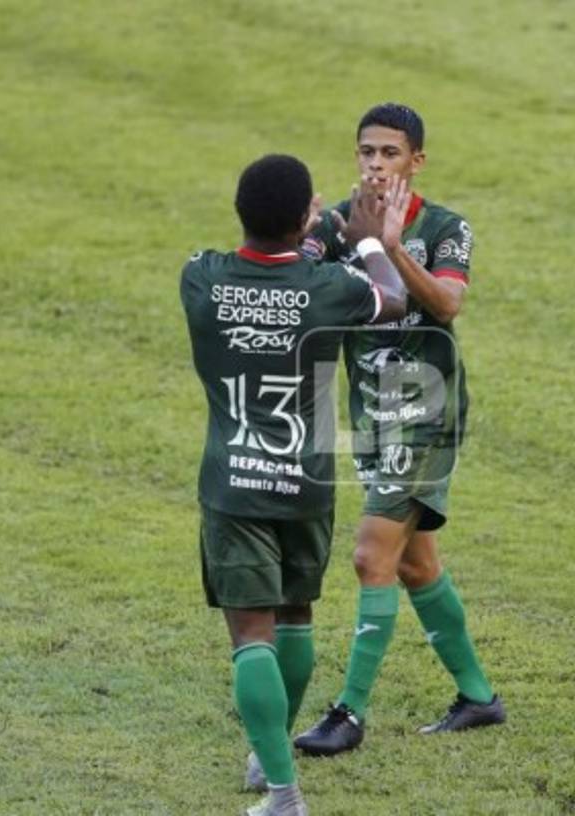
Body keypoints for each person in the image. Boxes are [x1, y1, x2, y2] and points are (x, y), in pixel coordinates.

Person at [180, 153, 411, 815]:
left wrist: (309, 233)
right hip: (307, 480)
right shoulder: (329, 286)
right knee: (296, 620)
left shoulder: (200, 278)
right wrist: (366, 238)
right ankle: (269, 753)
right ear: (305, 214)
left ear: (239, 211)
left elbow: (267, 268)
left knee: (250, 632)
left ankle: (283, 793)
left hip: (235, 481)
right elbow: (392, 298)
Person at [293, 103, 505, 757]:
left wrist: (386, 250)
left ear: (416, 161)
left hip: (430, 409)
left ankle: (348, 713)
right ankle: (477, 697)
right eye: (367, 152)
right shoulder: (335, 225)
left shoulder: (442, 227)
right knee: (414, 563)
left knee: (369, 556)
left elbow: (446, 304)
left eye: (390, 153)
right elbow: (293, 290)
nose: (376, 165)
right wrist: (295, 240)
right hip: (373, 412)